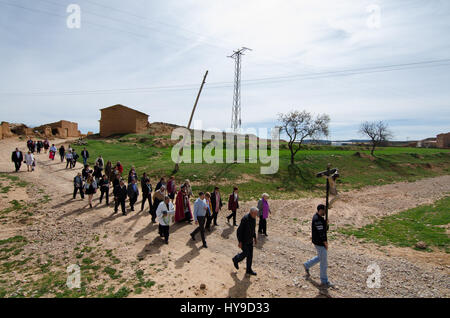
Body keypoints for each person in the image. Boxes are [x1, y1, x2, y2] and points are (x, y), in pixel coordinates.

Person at [303, 204, 334, 288]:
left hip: (318, 242)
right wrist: (325, 243)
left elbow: (325, 229)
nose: (325, 212)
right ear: (320, 210)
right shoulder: (317, 219)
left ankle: (307, 265)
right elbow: (321, 233)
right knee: (324, 262)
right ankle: (324, 281)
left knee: (321, 257)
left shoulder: (319, 218)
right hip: (319, 243)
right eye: (324, 210)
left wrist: (326, 224)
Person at [232, 207, 258, 276]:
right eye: (255, 214)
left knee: (250, 256)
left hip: (250, 240)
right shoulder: (245, 219)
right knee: (245, 253)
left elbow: (253, 229)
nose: (256, 215)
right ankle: (235, 259)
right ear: (251, 213)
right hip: (244, 240)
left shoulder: (254, 218)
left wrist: (255, 237)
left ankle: (248, 270)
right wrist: (240, 241)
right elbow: (239, 231)